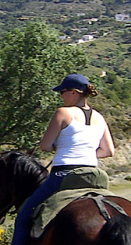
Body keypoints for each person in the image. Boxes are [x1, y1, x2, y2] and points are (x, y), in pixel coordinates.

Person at [11, 73, 115, 245]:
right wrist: (86, 153)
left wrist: (61, 148)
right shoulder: (99, 117)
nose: (61, 96)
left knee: (23, 217)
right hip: (93, 175)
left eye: (62, 92)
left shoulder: (63, 113)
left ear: (74, 92)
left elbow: (45, 145)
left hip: (62, 176)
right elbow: (108, 150)